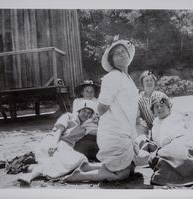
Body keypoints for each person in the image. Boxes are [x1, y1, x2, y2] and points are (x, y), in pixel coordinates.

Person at [60, 39, 139, 182]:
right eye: (116, 54)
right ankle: (79, 176)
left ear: (128, 54)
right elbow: (101, 108)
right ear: (112, 61)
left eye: (123, 51)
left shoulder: (126, 77)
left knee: (132, 169)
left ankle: (87, 167)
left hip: (126, 131)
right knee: (122, 175)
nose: (121, 54)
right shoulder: (112, 76)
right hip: (114, 132)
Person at [17, 100, 98, 185]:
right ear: (79, 111)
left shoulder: (86, 126)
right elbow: (58, 131)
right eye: (84, 111)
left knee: (77, 159)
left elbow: (98, 132)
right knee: (60, 160)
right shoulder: (68, 116)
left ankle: (32, 170)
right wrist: (53, 145)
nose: (85, 114)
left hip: (66, 147)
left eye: (89, 113)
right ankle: (30, 176)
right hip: (53, 141)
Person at [136, 70, 166, 138]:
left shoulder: (161, 95)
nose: (149, 82)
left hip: (163, 124)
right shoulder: (139, 99)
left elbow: (171, 110)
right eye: (146, 80)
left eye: (151, 80)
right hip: (148, 127)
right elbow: (137, 116)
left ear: (154, 82)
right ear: (142, 83)